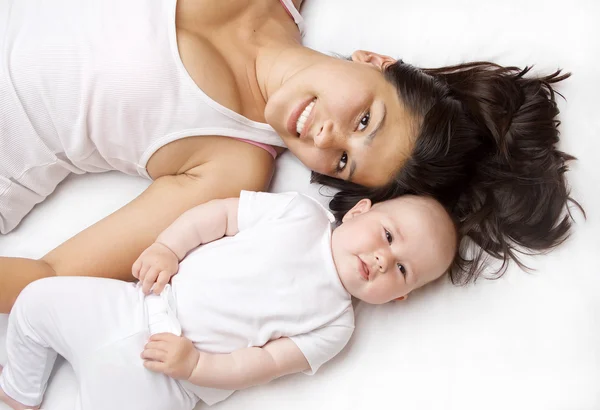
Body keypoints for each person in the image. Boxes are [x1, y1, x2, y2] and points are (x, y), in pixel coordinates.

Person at [0, 0, 579, 311]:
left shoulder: (233, 165)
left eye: (346, 162)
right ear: (375, 59)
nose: (329, 139)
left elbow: (48, 277)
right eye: (364, 120)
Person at [0, 191, 457, 410]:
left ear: (398, 297)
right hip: (135, 302)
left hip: (164, 379)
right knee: (36, 301)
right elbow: (216, 216)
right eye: (388, 236)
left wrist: (193, 366)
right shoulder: (300, 213)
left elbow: (260, 366)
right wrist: (166, 247)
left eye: (401, 268)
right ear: (361, 210)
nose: (382, 258)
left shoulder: (335, 326)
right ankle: (19, 393)